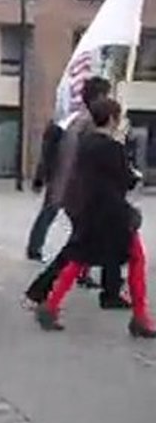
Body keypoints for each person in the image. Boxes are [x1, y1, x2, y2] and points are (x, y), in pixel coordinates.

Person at [35, 98, 155, 338]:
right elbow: (125, 180)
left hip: (92, 209)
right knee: (137, 259)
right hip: (113, 213)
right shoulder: (113, 147)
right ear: (112, 119)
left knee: (80, 258)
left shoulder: (86, 144)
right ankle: (141, 317)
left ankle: (51, 304)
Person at [24, 77, 125, 307]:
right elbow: (88, 162)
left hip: (81, 193)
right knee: (78, 248)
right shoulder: (88, 126)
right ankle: (42, 293)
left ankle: (109, 289)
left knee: (96, 245)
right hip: (88, 196)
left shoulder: (77, 122)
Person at [25, 120, 64, 262]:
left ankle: (34, 248)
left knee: (48, 212)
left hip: (57, 178)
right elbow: (46, 158)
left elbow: (45, 158)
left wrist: (39, 179)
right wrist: (39, 179)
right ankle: (34, 248)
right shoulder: (60, 131)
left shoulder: (57, 129)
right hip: (61, 178)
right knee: (49, 212)